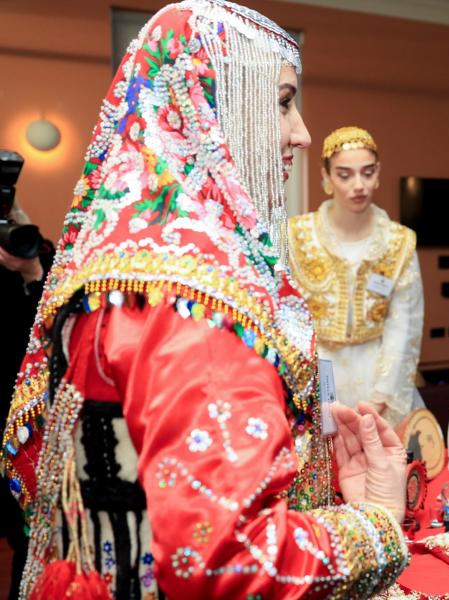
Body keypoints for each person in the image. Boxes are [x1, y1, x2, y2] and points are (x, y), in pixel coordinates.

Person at [2, 2, 409, 598]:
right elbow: (225, 557)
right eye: (281, 101)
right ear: (204, 100)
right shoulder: (192, 302)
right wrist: (375, 526)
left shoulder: (130, 263)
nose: (302, 131)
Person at [288, 126, 424, 427]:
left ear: (378, 173)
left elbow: (405, 326)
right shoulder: (296, 237)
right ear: (326, 177)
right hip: (316, 371)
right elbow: (287, 319)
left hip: (378, 375)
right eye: (345, 174)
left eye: (367, 172)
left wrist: (381, 396)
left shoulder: (399, 242)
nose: (358, 185)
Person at [0, 195, 53, 600]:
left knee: (28, 536)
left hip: (23, 425)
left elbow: (50, 333)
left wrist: (32, 271)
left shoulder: (39, 258)